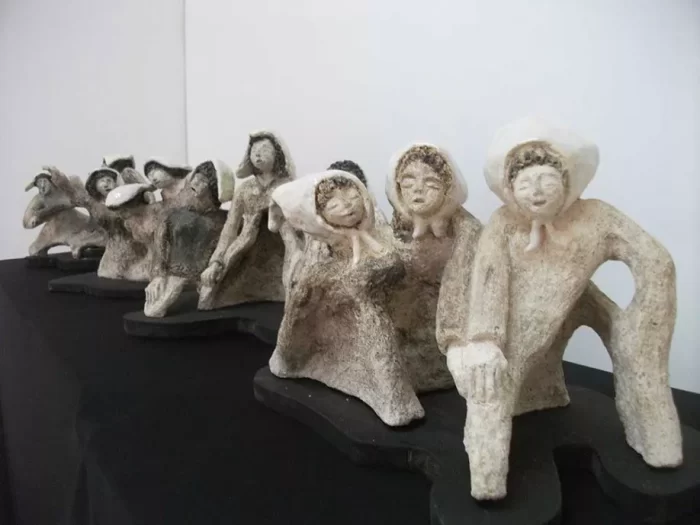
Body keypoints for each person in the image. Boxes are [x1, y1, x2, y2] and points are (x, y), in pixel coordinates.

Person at [445, 117, 681, 500]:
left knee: (637, 353)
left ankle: (656, 438)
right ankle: (488, 480)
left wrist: (646, 316)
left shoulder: (597, 217)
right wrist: (485, 340)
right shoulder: (504, 224)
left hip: (574, 300)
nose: (536, 192)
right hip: (515, 328)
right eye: (525, 183)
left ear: (567, 181)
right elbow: (488, 280)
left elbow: (655, 259)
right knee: (491, 387)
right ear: (509, 188)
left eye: (547, 180)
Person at [268, 169, 422, 426]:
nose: (348, 206)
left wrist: (371, 270)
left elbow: (394, 261)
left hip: (375, 302)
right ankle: (295, 359)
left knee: (377, 331)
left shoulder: (377, 228)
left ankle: (393, 398)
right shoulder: (321, 244)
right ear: (318, 216)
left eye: (353, 197)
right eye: (334, 205)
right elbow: (314, 275)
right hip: (340, 298)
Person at [386, 144, 482, 391]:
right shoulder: (398, 223)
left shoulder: (466, 229)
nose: (418, 189)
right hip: (405, 335)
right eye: (408, 182)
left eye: (430, 183)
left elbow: (464, 289)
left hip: (449, 339)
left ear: (447, 188)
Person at [198, 130, 294, 310]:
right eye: (254, 150)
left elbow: (300, 229)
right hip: (247, 256)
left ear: (278, 154)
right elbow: (230, 227)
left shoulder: (289, 187)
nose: (258, 154)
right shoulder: (245, 189)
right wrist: (216, 262)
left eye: (265, 149)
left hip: (283, 258)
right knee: (212, 294)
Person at [144, 160, 233, 317]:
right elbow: (160, 244)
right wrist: (158, 275)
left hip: (207, 278)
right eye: (195, 177)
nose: (195, 182)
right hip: (171, 277)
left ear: (214, 187)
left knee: (204, 303)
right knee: (154, 309)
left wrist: (214, 268)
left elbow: (226, 249)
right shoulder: (175, 215)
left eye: (202, 180)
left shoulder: (223, 220)